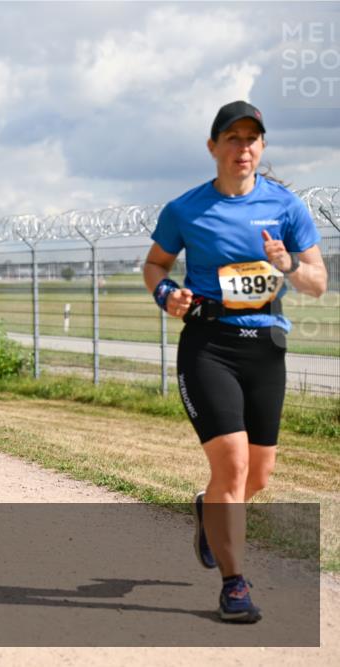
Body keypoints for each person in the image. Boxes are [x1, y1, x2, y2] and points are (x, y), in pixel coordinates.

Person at [143, 101, 328, 624]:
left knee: (260, 476)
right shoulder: (186, 209)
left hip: (265, 347)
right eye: (232, 138)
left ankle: (210, 510)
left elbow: (317, 283)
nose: (242, 147)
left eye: (252, 139)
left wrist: (287, 263)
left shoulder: (287, 207)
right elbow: (156, 264)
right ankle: (234, 583)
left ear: (262, 148)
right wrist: (166, 294)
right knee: (233, 464)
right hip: (208, 344)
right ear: (213, 147)